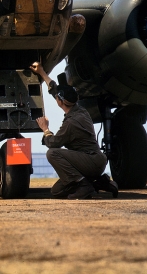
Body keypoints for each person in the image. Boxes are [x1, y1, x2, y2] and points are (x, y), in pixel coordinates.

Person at [29, 62, 118, 199]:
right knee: (57, 191)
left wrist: (45, 129)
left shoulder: (71, 123)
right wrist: (42, 72)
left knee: (52, 153)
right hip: (93, 161)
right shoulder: (80, 109)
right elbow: (56, 91)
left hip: (90, 162)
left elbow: (53, 143)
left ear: (60, 102)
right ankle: (100, 182)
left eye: (57, 98)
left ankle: (83, 185)